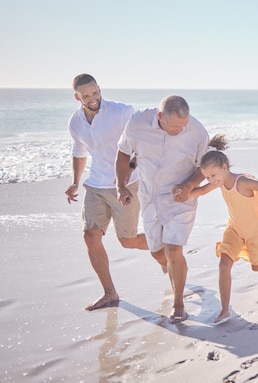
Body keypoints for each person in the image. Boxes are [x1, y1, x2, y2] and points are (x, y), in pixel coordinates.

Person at [65, 74, 161, 311]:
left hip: (128, 184)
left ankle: (166, 246)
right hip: (96, 185)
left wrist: (124, 179)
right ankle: (110, 293)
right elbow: (80, 152)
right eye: (86, 95)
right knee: (90, 236)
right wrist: (76, 182)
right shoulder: (75, 122)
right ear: (77, 97)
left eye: (95, 92)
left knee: (127, 241)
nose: (93, 98)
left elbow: (140, 146)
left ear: (99, 89)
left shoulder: (121, 112)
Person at [116, 95, 210, 323]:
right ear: (160, 116)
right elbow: (123, 153)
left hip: (180, 198)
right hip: (149, 195)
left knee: (174, 250)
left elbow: (205, 165)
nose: (181, 130)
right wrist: (121, 185)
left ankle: (179, 305)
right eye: (175, 126)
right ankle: (170, 268)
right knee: (157, 251)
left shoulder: (197, 131)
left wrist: (188, 185)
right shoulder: (138, 123)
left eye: (183, 125)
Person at [190, 136, 258, 325]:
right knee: (224, 265)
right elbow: (200, 192)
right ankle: (225, 310)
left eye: (213, 176)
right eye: (207, 177)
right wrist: (179, 193)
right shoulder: (219, 182)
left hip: (255, 232)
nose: (210, 180)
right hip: (234, 229)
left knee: (256, 265)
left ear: (224, 167)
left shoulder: (242, 182)